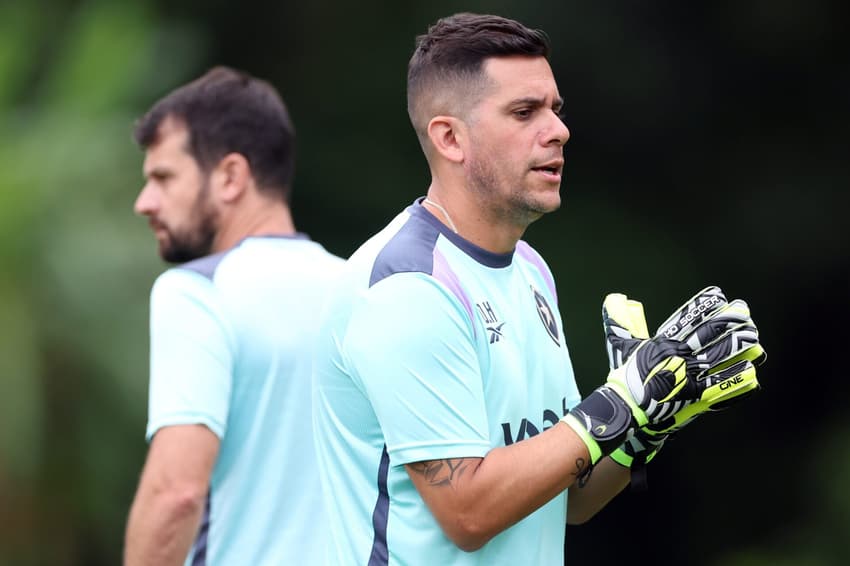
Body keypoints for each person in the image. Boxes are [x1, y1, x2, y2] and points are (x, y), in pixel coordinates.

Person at [311, 12, 763, 566]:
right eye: (524, 112)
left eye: (555, 109)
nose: (558, 130)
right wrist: (619, 403)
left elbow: (568, 497)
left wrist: (647, 424)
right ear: (450, 137)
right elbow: (469, 512)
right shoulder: (408, 288)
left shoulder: (529, 268)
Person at [124, 66, 343, 566]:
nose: (145, 203)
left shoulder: (196, 292)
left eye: (163, 177)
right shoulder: (360, 287)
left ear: (230, 177)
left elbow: (175, 493)